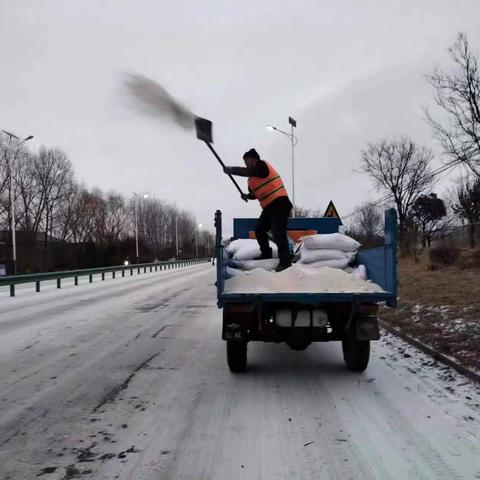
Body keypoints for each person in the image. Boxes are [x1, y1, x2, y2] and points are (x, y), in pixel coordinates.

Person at [223, 148, 293, 272]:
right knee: (259, 230)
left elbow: (252, 171)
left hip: (280, 203)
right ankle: (266, 253)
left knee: (278, 232)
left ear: (254, 158)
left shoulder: (261, 165)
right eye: (244, 162)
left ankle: (285, 262)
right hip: (269, 208)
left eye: (247, 161)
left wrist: (231, 170)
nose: (246, 164)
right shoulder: (251, 180)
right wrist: (246, 196)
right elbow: (255, 195)